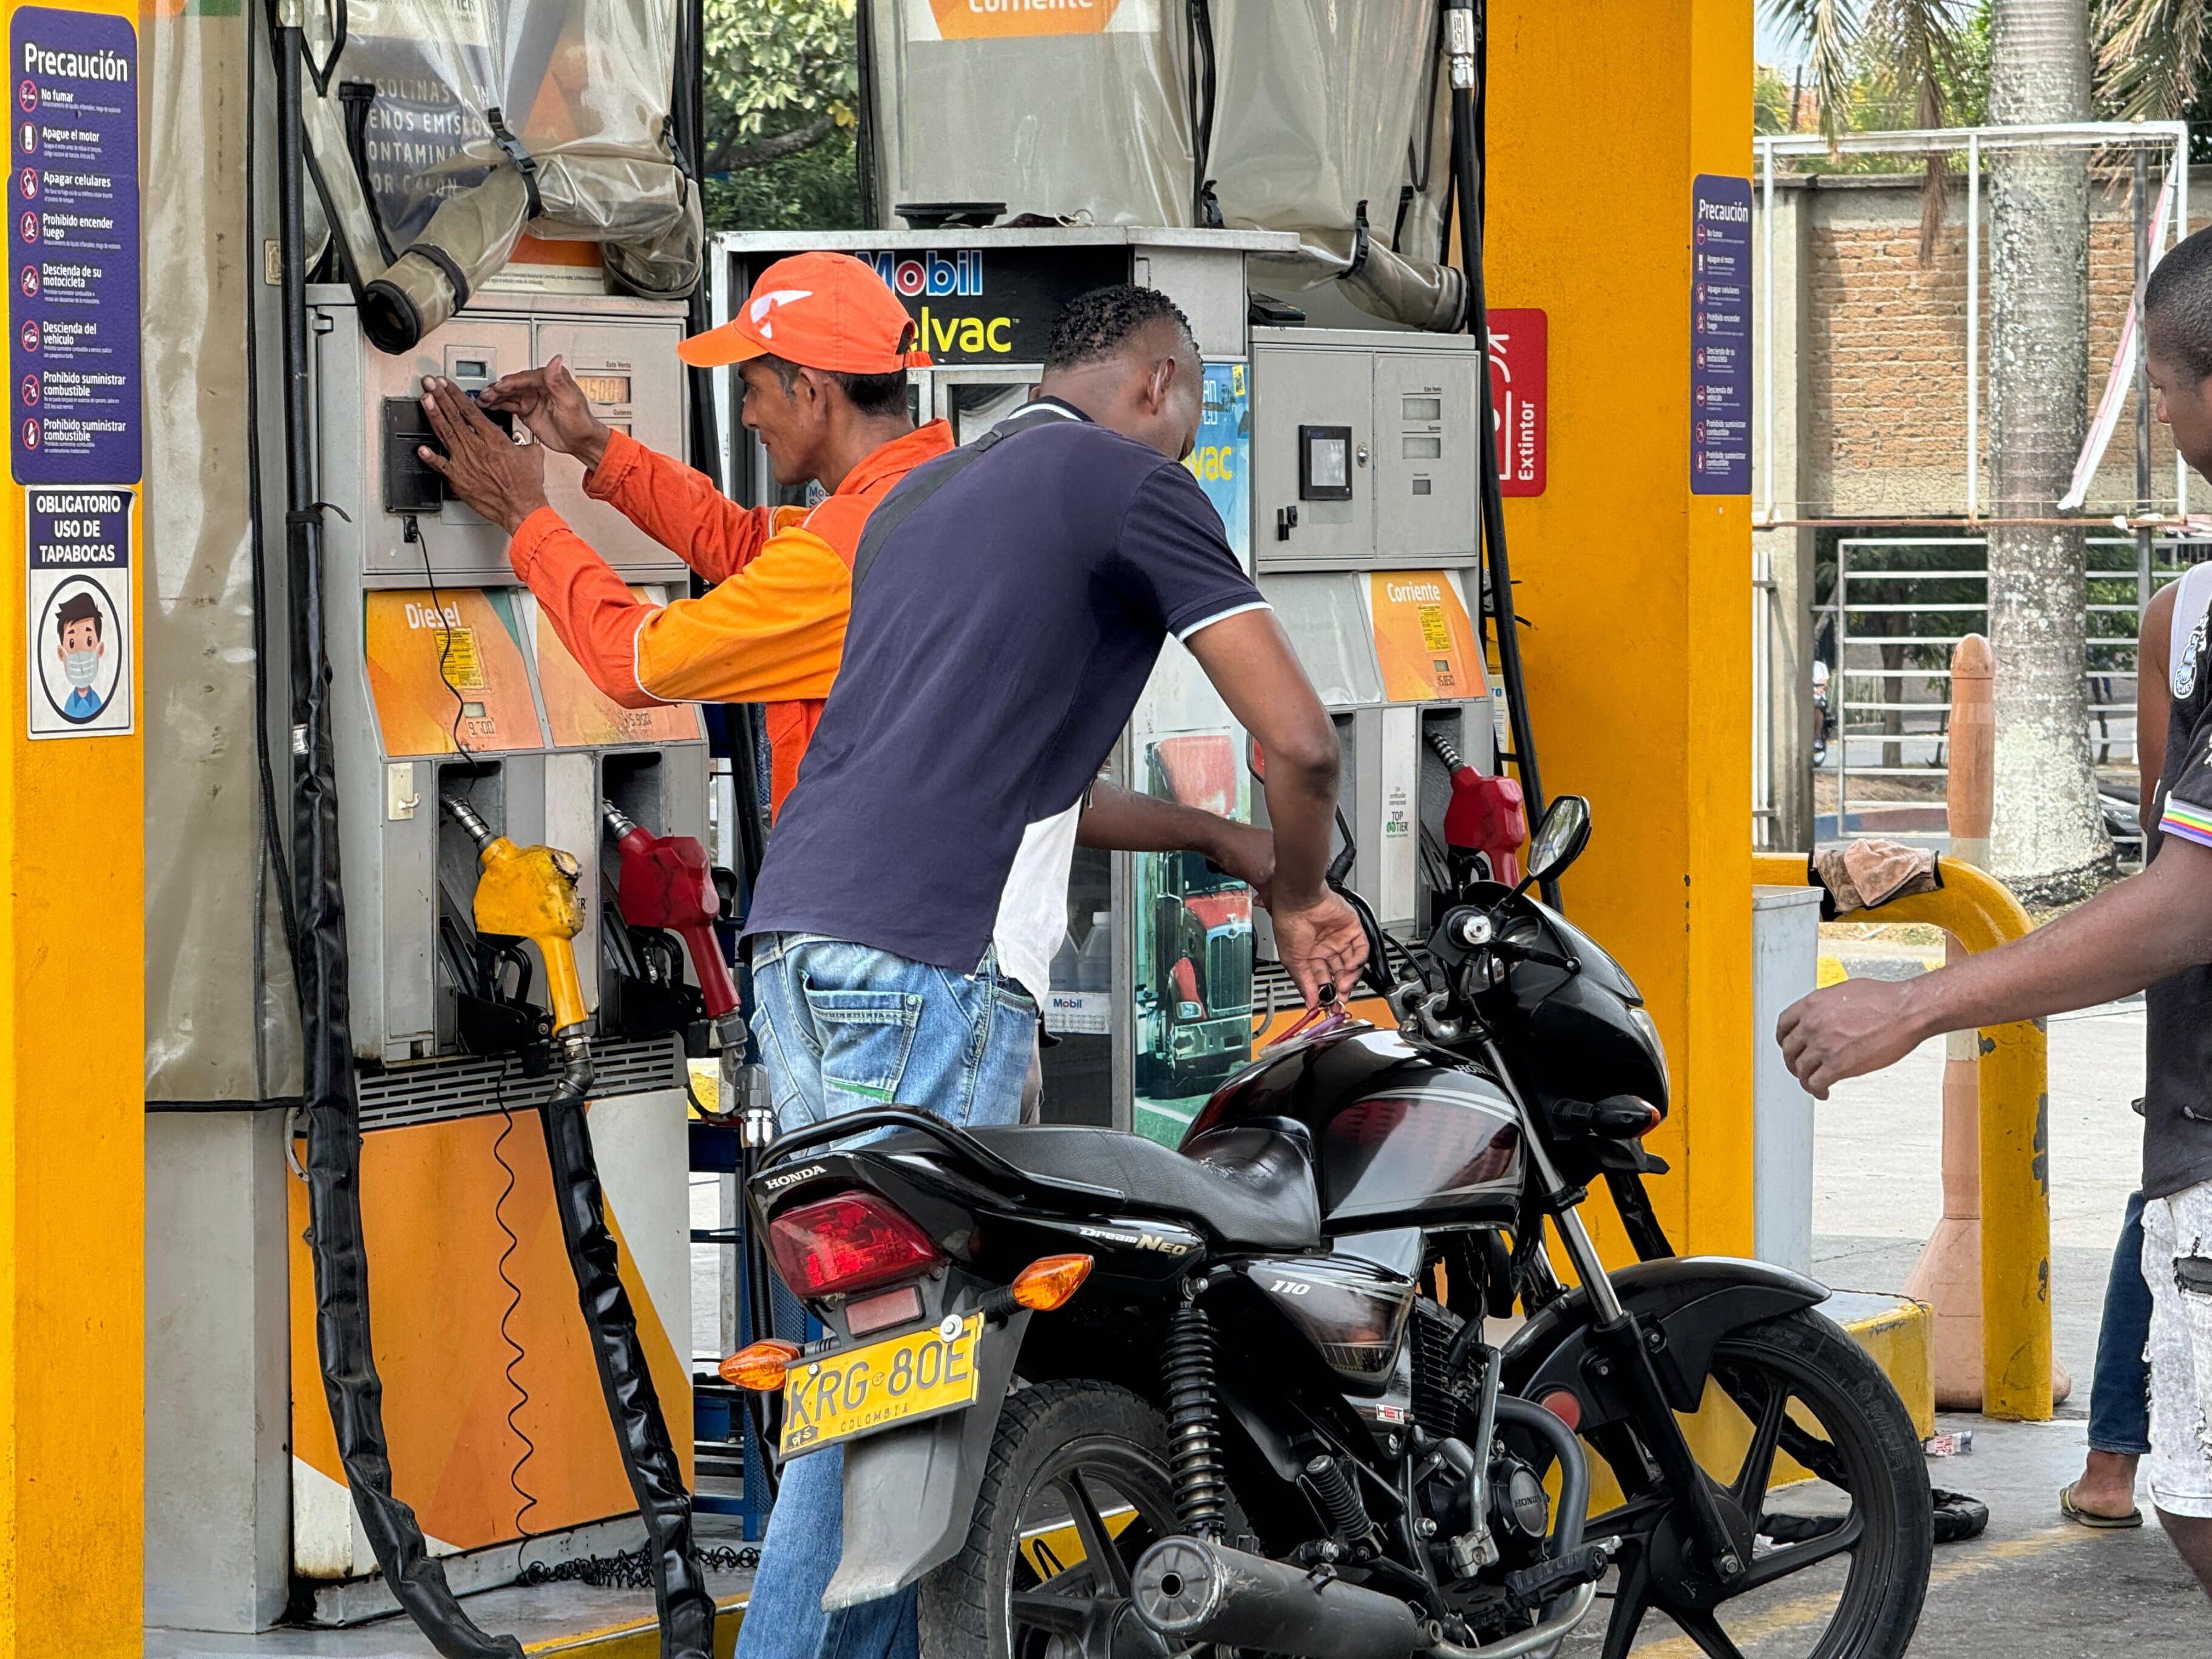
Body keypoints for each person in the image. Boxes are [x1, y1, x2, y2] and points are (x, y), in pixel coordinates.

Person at [731, 284, 1367, 1659]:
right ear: (1152, 383)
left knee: (884, 1382)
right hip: (923, 970)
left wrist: (1214, 838)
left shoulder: (923, 503)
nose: (1191, 449)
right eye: (1193, 415)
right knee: (885, 1395)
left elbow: (1004, 774)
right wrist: (1304, 886)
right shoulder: (1129, 483)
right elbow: (1301, 743)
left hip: (802, 948)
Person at [1777, 222, 2212, 1596]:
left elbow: (2182, 896)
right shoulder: (2182, 611)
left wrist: (1911, 1000)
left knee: (2198, 1504)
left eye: (2158, 383)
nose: (2153, 413)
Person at [423, 248, 957, 817]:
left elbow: (633, 662)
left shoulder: (839, 557)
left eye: (751, 388)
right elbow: (743, 544)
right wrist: (593, 445)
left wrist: (522, 512)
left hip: (856, 886)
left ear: (810, 391)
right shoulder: (929, 499)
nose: (748, 416)